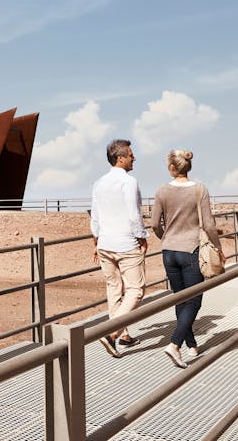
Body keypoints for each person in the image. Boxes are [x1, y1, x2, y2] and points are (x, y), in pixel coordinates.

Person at [152, 149, 225, 369]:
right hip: (191, 249)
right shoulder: (199, 190)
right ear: (188, 167)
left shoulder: (162, 191)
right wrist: (219, 248)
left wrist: (165, 237)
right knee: (194, 301)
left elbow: (155, 224)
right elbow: (210, 225)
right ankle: (174, 344)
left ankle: (191, 344)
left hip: (169, 251)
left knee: (180, 298)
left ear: (171, 168)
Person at [90, 139, 149, 358]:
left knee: (114, 289)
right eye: (131, 155)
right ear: (121, 158)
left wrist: (96, 241)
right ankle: (112, 334)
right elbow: (133, 214)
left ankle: (121, 335)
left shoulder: (98, 183)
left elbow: (95, 215)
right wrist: (142, 237)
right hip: (125, 243)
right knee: (135, 290)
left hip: (105, 243)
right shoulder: (129, 182)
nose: (134, 158)